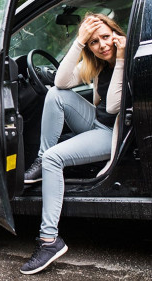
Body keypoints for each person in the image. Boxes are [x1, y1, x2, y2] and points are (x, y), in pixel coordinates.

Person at [20, 13, 126, 275]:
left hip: (113, 133)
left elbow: (113, 106)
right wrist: (78, 42)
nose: (101, 45)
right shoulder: (97, 64)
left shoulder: (130, 59)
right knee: (56, 94)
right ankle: (41, 158)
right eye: (93, 42)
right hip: (96, 122)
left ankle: (49, 241)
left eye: (105, 37)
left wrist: (121, 58)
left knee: (55, 159)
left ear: (115, 33)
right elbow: (60, 82)